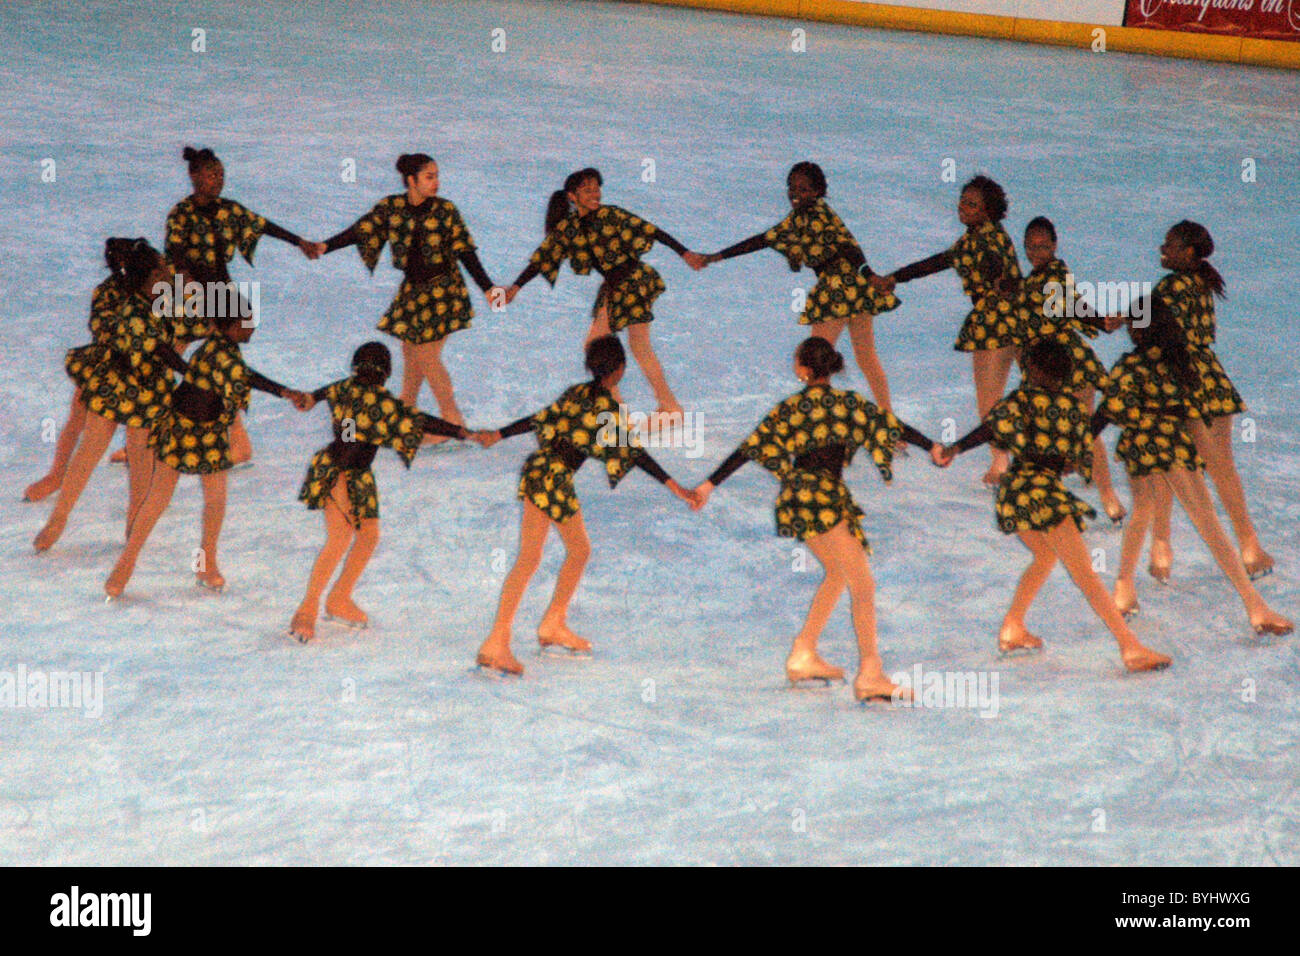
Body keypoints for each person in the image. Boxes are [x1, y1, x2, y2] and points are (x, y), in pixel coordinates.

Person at [692, 338, 939, 702]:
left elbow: (750, 448)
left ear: (803, 370)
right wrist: (932, 445)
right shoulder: (848, 404)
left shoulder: (791, 407)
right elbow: (892, 425)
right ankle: (870, 673)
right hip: (824, 499)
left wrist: (709, 484)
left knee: (839, 573)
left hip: (797, 497)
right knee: (863, 586)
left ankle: (803, 652)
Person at [939, 339, 1172, 673]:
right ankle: (1129, 646)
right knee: (1086, 576)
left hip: (1015, 494)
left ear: (1032, 370)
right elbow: (1074, 463)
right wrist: (1094, 427)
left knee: (1046, 557)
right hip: (1044, 496)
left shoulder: (1021, 400)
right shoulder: (1073, 409)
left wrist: (955, 449)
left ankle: (1013, 627)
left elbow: (991, 428)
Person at [472, 335, 694, 675]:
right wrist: (674, 485)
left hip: (537, 469)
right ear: (620, 370)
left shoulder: (576, 392)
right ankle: (506, 639)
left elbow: (539, 418)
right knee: (571, 552)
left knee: (546, 555)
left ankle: (542, 627)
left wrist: (499, 434)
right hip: (555, 479)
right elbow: (633, 453)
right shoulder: (607, 410)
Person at [1094, 301, 1291, 636]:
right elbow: (1193, 416)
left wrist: (1070, 447)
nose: (1128, 329)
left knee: (1143, 511)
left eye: (1132, 323)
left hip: (1141, 448)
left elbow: (1105, 415)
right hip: (1171, 447)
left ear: (1143, 329)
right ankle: (1254, 605)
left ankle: (1124, 588)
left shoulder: (1129, 367)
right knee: (1207, 522)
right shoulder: (1181, 365)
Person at [289, 342, 469, 643]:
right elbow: (419, 420)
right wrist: (461, 431)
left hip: (347, 468)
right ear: (385, 374)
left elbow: (318, 396)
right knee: (339, 539)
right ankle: (306, 610)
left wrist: (305, 398)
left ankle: (339, 597)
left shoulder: (344, 387)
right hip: (342, 470)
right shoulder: (381, 401)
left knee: (368, 535)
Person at [316, 153, 501, 440]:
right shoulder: (392, 207)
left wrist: (488, 288)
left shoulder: (445, 210)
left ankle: (452, 422)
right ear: (411, 180)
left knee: (425, 354)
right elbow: (361, 231)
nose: (436, 182)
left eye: (437, 176)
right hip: (413, 292)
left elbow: (465, 251)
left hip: (445, 292)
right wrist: (326, 246)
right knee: (410, 353)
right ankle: (407, 412)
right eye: (430, 177)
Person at [702, 162, 901, 413]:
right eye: (792, 188)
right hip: (857, 289)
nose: (796, 194)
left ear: (818, 191)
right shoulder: (803, 217)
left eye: (804, 189)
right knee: (866, 358)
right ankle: (889, 419)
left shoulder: (818, 215)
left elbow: (848, 247)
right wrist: (717, 256)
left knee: (813, 361)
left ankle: (816, 417)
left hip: (837, 288)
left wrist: (870, 274)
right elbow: (765, 240)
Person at [503, 167, 701, 417]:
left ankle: (631, 412)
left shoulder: (612, 214)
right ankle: (661, 407)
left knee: (605, 345)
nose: (595, 194)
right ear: (572, 196)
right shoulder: (570, 227)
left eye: (597, 189)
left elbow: (652, 231)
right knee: (635, 347)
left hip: (633, 282)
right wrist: (515, 287)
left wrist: (685, 253)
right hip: (615, 287)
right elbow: (544, 258)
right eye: (587, 190)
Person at [166, 146, 317, 464]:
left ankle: (237, 442)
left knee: (223, 367)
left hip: (222, 294)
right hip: (187, 295)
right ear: (193, 176)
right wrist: (193, 299)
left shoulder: (228, 209)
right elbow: (177, 260)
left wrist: (299, 242)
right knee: (166, 366)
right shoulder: (180, 214)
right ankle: (155, 431)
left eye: (220, 174)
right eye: (210, 174)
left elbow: (262, 225)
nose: (218, 180)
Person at [1142, 221, 1273, 582]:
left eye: (1169, 244)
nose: (1161, 248)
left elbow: (1149, 329)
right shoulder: (1203, 282)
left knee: (1166, 466)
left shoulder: (1168, 287)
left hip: (1173, 379)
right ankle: (1249, 547)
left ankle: (1162, 549)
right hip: (1210, 379)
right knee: (1222, 469)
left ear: (1187, 252)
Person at [34, 241, 185, 552]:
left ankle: (134, 518)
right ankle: (59, 517)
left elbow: (181, 329)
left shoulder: (167, 290)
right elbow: (132, 339)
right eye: (159, 269)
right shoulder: (112, 295)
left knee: (142, 455)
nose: (164, 272)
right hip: (115, 378)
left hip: (150, 384)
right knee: (91, 447)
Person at [884, 175, 1032, 484]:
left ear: (988, 210)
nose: (963, 207)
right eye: (963, 200)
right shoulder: (984, 235)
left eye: (972, 204)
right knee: (1035, 393)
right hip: (1022, 320)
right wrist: (896, 277)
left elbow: (993, 268)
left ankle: (1001, 463)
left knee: (989, 402)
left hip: (995, 324)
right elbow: (940, 261)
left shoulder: (982, 240)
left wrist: (998, 280)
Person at [1017, 216, 1126, 522]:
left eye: (1042, 246)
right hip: (1045, 362)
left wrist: (1101, 322)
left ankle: (1107, 496)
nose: (1035, 251)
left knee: (1082, 428)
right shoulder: (1039, 276)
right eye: (1030, 246)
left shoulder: (1054, 275)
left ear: (1054, 245)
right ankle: (1082, 492)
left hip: (1066, 362)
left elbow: (1073, 305)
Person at [24, 238, 138, 503]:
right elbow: (102, 329)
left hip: (142, 365)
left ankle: (141, 458)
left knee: (144, 421)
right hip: (107, 364)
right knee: (77, 419)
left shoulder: (155, 287)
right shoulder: (107, 292)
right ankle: (56, 475)